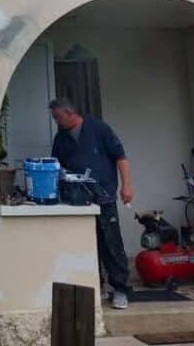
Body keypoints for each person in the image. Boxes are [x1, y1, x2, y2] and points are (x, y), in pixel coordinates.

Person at [49, 97, 132, 310]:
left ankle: (120, 289)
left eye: (57, 117)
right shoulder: (61, 138)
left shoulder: (99, 129)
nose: (55, 121)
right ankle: (96, 286)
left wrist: (126, 187)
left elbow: (120, 158)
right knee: (85, 243)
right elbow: (56, 165)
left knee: (111, 243)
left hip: (103, 196)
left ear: (69, 114)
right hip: (76, 199)